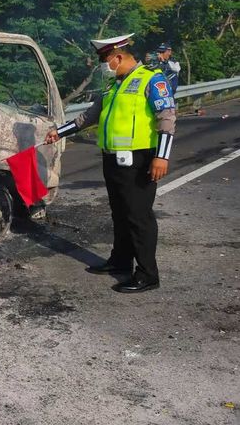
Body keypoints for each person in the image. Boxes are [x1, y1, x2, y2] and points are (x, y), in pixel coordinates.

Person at [45, 33, 176, 293]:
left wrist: (162, 156)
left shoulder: (151, 79)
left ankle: (148, 274)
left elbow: (167, 118)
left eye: (105, 59)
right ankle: (120, 261)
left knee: (139, 217)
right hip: (113, 159)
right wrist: (59, 132)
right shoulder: (114, 87)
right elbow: (87, 117)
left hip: (140, 160)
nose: (104, 65)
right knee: (120, 213)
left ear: (118, 56)